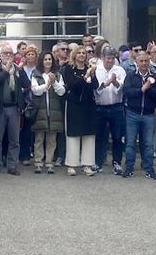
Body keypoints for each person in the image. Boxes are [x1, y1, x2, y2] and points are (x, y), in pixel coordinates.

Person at [0, 41, 29, 175]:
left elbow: (27, 84)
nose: (8, 55)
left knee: (14, 139)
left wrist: (20, 72)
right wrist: (6, 72)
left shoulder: (17, 68)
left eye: (10, 53)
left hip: (14, 107)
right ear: (0, 55)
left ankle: (12, 165)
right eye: (5, 53)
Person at [122, 48, 156, 179]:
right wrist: (141, 89)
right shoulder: (130, 75)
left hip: (149, 114)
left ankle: (149, 168)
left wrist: (148, 89)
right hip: (132, 113)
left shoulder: (154, 77)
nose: (144, 63)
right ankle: (129, 167)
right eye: (141, 61)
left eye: (146, 61)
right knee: (130, 142)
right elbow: (127, 92)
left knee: (148, 144)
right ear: (136, 62)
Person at [61, 45, 99, 177]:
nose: (82, 55)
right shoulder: (68, 69)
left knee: (89, 135)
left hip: (88, 106)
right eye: (80, 53)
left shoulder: (90, 69)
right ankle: (71, 165)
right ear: (75, 55)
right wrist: (85, 77)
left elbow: (96, 86)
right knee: (73, 135)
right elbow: (72, 85)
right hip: (74, 105)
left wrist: (92, 75)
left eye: (84, 53)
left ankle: (87, 165)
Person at [29, 51, 65, 174]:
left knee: (52, 139)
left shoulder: (58, 75)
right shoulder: (36, 74)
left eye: (50, 59)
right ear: (41, 61)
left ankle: (49, 163)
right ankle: (38, 162)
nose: (48, 61)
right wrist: (46, 85)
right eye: (45, 59)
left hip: (54, 111)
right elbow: (35, 91)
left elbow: (62, 92)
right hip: (40, 110)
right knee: (39, 139)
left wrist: (54, 82)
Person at [94, 45, 126, 175]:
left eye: (112, 58)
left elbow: (121, 88)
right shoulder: (96, 70)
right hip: (100, 107)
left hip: (116, 107)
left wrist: (114, 82)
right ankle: (98, 162)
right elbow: (96, 90)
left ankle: (117, 162)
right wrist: (106, 83)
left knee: (117, 136)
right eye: (108, 58)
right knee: (100, 136)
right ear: (102, 58)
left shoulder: (119, 70)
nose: (110, 61)